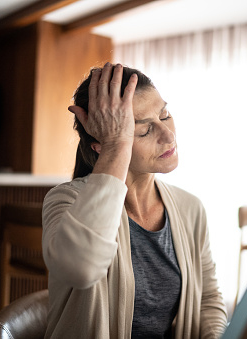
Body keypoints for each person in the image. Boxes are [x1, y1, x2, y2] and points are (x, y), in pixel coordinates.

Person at [42, 62, 228, 338]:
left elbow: (208, 299)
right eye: (143, 131)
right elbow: (80, 269)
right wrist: (116, 144)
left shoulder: (190, 208)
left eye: (164, 115)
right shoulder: (65, 200)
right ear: (100, 146)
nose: (168, 135)